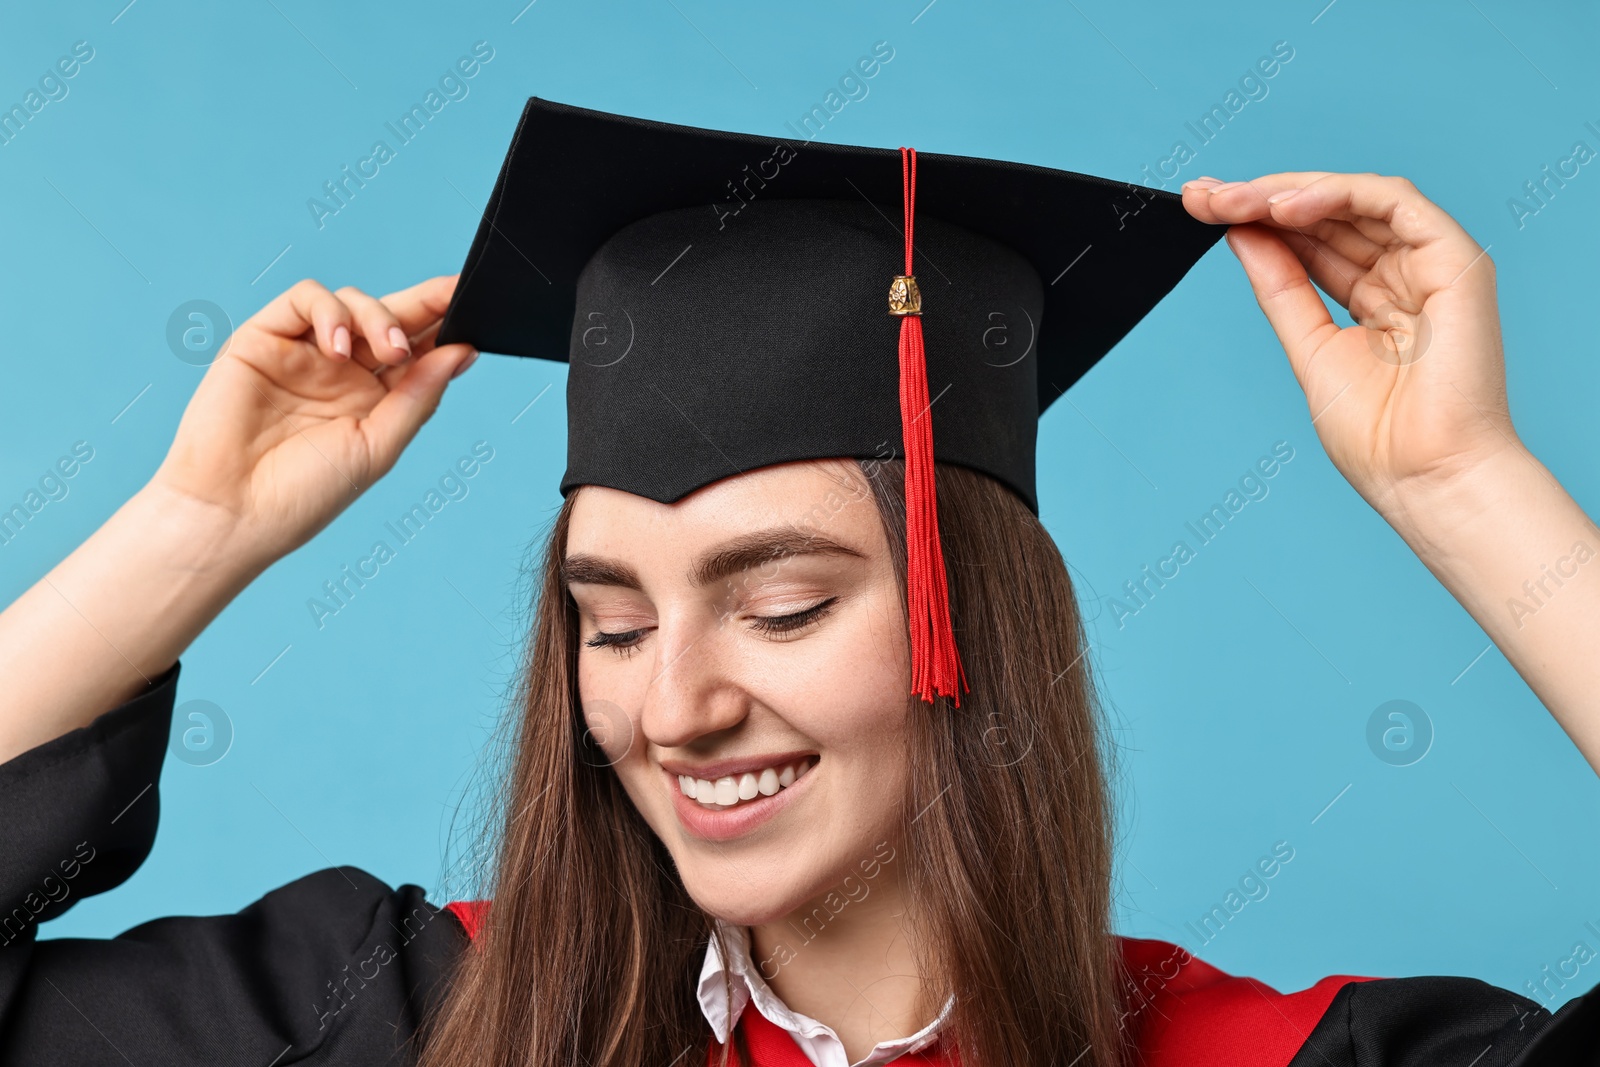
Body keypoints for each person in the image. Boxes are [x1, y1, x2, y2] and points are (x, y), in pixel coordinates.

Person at [0, 98, 1595, 1067]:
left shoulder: (1290, 1062)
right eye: (609, 621)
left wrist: (1469, 491)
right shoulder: (407, 1018)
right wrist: (191, 532)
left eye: (781, 606)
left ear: (981, 628)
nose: (672, 705)